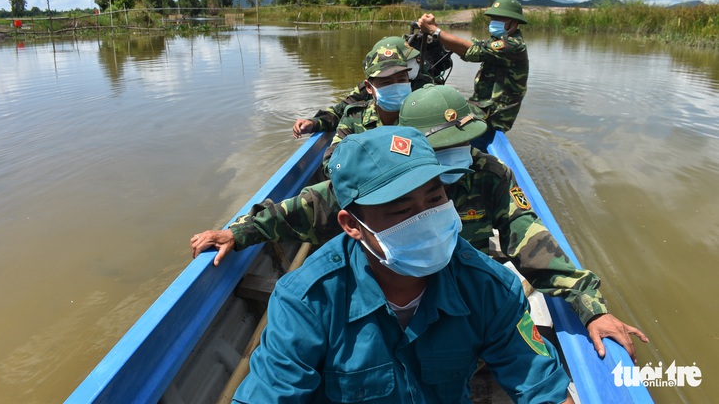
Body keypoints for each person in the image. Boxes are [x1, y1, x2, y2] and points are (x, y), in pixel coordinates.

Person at [191, 84, 649, 363]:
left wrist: (590, 305)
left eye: (466, 142)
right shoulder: (378, 184)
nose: (461, 157)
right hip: (391, 288)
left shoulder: (487, 174)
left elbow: (529, 238)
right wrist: (239, 231)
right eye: (444, 146)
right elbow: (306, 207)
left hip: (467, 287)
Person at [231, 126, 574, 404]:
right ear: (352, 225)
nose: (426, 218)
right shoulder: (307, 300)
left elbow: (542, 387)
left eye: (435, 199)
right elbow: (271, 392)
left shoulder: (488, 287)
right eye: (401, 210)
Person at [418, 0, 529, 147]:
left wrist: (435, 31)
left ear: (514, 22)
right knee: (444, 102)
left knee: (443, 114)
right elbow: (473, 45)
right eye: (493, 17)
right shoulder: (498, 39)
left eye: (500, 18)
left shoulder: (513, 45)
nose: (494, 21)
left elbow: (472, 50)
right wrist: (439, 35)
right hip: (483, 105)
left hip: (494, 113)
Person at [291, 35, 438, 139]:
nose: (414, 63)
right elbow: (340, 111)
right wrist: (315, 122)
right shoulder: (368, 89)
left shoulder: (423, 86)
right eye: (385, 81)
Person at [319, 39, 412, 173]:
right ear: (369, 87)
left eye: (402, 80)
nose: (396, 87)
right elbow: (332, 164)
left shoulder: (420, 114)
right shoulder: (354, 118)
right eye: (387, 82)